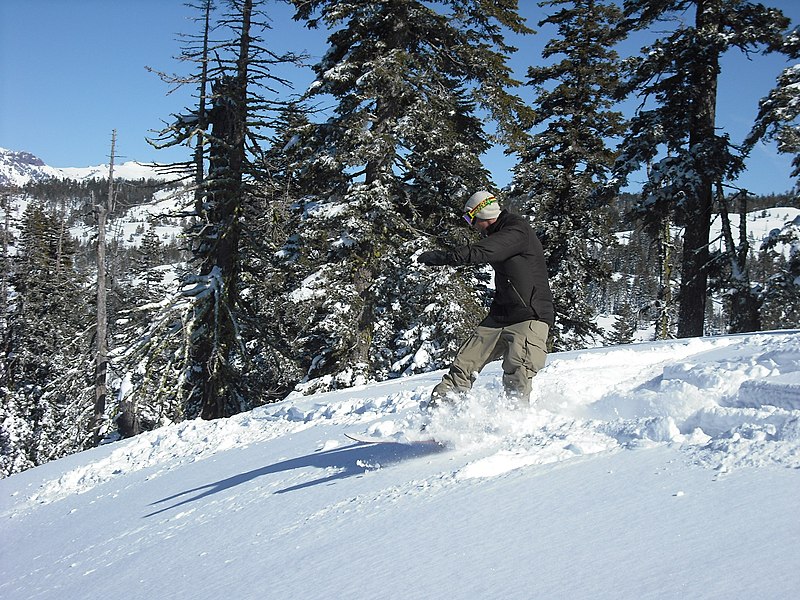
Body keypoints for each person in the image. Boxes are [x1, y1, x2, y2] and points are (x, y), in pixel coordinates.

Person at [417, 190, 554, 408]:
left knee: (518, 371)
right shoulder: (499, 232)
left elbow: (482, 252)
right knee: (463, 366)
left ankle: (514, 421)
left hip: (530, 315)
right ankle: (435, 421)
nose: (470, 225)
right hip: (500, 316)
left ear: (483, 214)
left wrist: (442, 257)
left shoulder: (516, 231)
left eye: (469, 218)